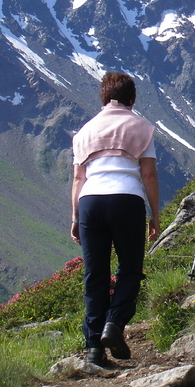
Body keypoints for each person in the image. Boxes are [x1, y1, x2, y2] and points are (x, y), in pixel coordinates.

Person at [70, 72, 160, 367]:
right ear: (132, 99)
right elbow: (148, 173)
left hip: (90, 202)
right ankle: (114, 324)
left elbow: (78, 178)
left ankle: (93, 348)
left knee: (95, 275)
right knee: (129, 270)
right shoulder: (142, 127)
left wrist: (75, 217)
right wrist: (155, 214)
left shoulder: (85, 131)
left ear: (103, 98)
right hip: (127, 199)